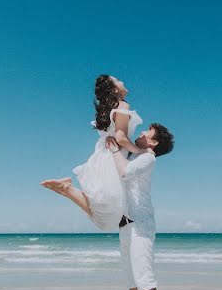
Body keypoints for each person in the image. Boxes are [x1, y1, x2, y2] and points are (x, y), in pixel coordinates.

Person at [105, 122, 174, 290]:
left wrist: (114, 150)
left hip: (141, 224)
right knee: (132, 283)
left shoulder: (148, 158)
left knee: (145, 282)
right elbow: (119, 135)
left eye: (148, 133)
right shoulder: (135, 151)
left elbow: (124, 172)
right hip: (124, 224)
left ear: (154, 142)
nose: (142, 133)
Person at [40, 75, 147, 230]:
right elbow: (121, 138)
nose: (123, 81)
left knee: (105, 210)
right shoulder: (123, 106)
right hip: (113, 155)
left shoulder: (111, 108)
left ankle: (67, 188)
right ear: (115, 89)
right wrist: (142, 151)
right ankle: (67, 189)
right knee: (107, 213)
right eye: (118, 80)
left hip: (104, 153)